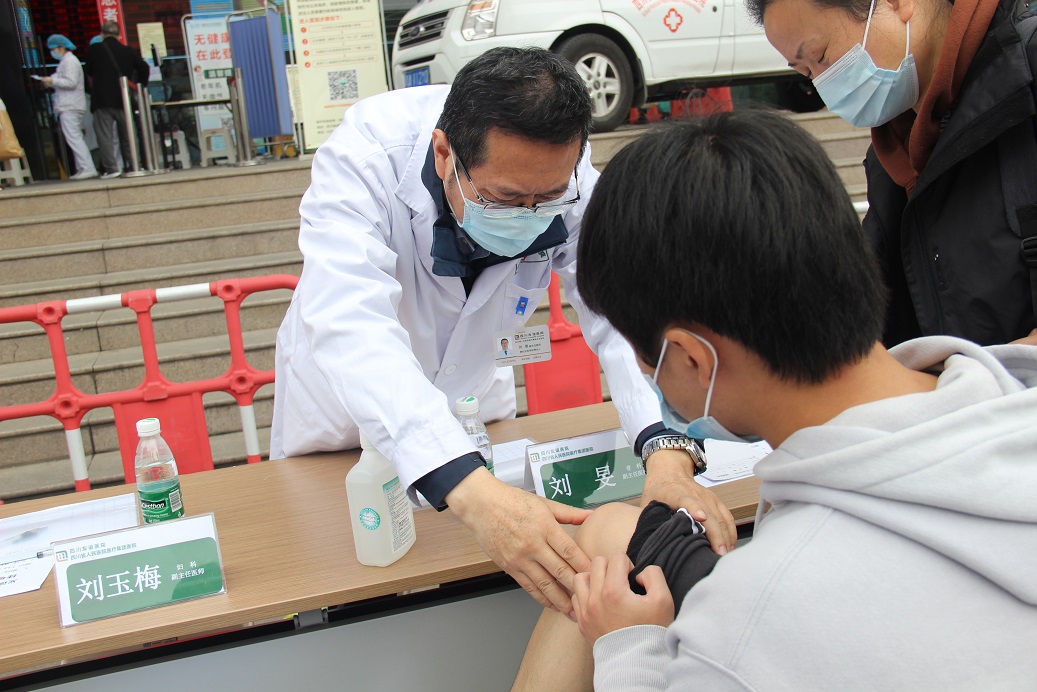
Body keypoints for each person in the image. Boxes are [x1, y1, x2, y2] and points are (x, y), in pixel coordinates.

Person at [513, 109, 1037, 691]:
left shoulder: (750, 629)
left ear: (692, 358)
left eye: (644, 358)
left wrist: (629, 647)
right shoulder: (1010, 395)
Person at [270, 47, 737, 617]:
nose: (531, 212)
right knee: (341, 581)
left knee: (471, 586)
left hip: (471, 404)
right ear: (445, 154)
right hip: (341, 420)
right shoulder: (366, 155)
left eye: (547, 201)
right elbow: (351, 321)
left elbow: (620, 313)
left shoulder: (565, 177)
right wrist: (472, 493)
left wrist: (664, 447)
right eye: (507, 199)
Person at [751, 0, 1037, 348]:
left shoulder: (1025, 73)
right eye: (808, 73)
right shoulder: (893, 157)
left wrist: (980, 382)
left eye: (821, 55)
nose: (825, 86)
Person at [84, 20, 149, 179]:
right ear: (119, 35)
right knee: (128, 135)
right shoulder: (127, 50)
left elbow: (88, 71)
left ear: (102, 34)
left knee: (105, 136)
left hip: (102, 100)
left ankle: (111, 168)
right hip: (123, 98)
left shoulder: (94, 49)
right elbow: (144, 67)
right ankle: (133, 164)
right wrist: (140, 86)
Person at [41, 34, 98, 180]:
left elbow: (71, 82)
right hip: (69, 105)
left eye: (54, 49)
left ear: (62, 47)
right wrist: (52, 81)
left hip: (70, 106)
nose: (52, 52)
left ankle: (87, 167)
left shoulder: (71, 61)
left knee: (74, 138)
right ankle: (82, 167)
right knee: (73, 137)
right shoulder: (66, 62)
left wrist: (52, 80)